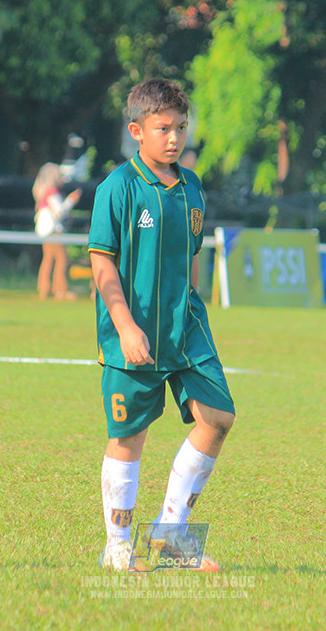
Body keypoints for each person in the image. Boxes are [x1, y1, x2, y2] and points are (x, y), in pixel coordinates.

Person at [88, 78, 235, 572]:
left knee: (219, 417)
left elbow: (190, 256)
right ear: (137, 131)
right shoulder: (118, 188)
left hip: (185, 328)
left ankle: (170, 534)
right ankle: (117, 547)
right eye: (163, 128)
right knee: (130, 435)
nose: (174, 138)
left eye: (181, 127)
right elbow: (102, 263)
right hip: (134, 330)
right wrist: (126, 326)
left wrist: (192, 303)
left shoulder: (192, 187)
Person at [32, 162, 82, 300]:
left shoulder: (42, 192)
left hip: (45, 230)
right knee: (61, 259)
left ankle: (44, 288)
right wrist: (71, 200)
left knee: (48, 259)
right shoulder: (52, 192)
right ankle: (61, 290)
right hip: (54, 230)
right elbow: (60, 211)